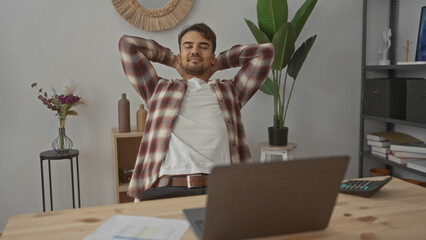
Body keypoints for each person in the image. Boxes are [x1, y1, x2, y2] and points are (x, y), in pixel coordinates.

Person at [118, 23, 274, 201]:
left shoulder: (231, 91)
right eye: (188, 46)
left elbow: (265, 53)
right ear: (180, 53)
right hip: (164, 191)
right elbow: (127, 45)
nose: (195, 51)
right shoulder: (158, 88)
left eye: (203, 47)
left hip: (220, 190)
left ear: (212, 56)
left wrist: (217, 63)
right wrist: (172, 59)